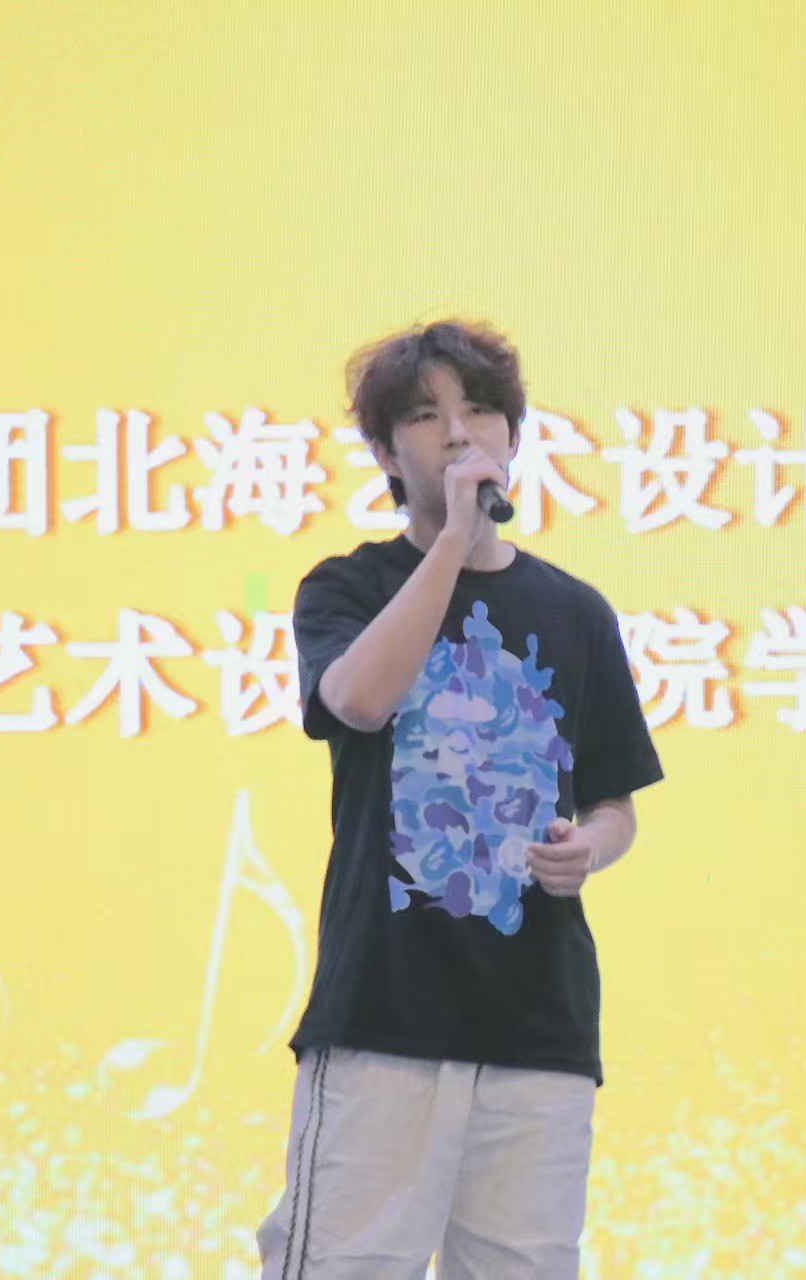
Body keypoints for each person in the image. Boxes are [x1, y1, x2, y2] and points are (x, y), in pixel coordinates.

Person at [256, 319, 665, 1278]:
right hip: (383, 1018)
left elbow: (615, 802)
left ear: (512, 434)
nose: (457, 433)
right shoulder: (348, 586)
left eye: (480, 409)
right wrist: (452, 545)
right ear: (384, 453)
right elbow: (359, 700)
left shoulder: (575, 611)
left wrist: (590, 849)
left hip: (539, 1025)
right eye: (424, 416)